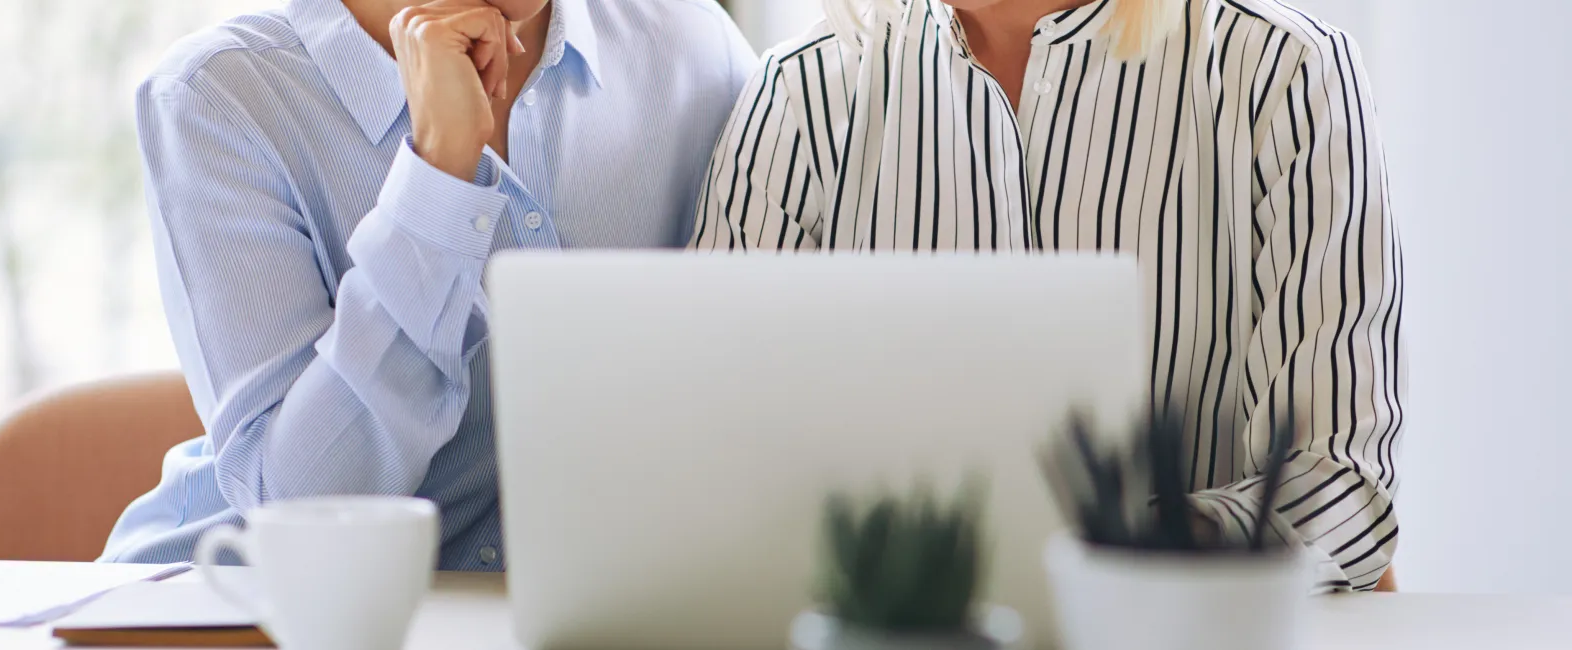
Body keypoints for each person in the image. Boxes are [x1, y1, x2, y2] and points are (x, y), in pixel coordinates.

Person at [694, 0, 1403, 591]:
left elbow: (1340, 480)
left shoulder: (1287, 77)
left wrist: (1138, 554)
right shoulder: (798, 95)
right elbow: (708, 456)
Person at [104, 0, 754, 570]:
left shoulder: (696, 51)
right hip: (250, 611)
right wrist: (439, 178)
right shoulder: (220, 96)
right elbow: (302, 515)